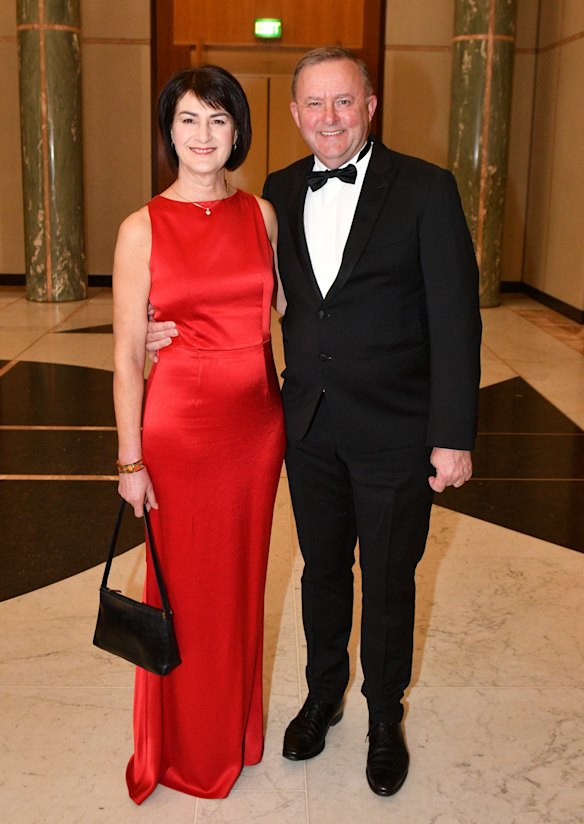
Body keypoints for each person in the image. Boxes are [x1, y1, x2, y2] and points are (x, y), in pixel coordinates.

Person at [147, 47, 482, 798]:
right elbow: (232, 291)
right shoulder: (275, 192)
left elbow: (455, 321)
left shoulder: (427, 190)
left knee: (389, 581)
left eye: (343, 102)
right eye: (314, 105)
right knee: (323, 572)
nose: (328, 118)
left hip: (397, 427)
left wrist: (453, 435)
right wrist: (150, 323)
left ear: (370, 106)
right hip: (307, 426)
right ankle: (323, 694)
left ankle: (382, 717)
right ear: (294, 115)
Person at [112, 65, 285, 803]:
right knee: (181, 587)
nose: (204, 135)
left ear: (238, 128)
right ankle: (182, 748)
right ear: (169, 130)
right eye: (189, 120)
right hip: (179, 429)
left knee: (241, 582)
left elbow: (276, 307)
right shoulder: (141, 226)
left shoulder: (262, 215)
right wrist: (129, 458)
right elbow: (122, 355)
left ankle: (236, 732)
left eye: (218, 119)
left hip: (256, 430)